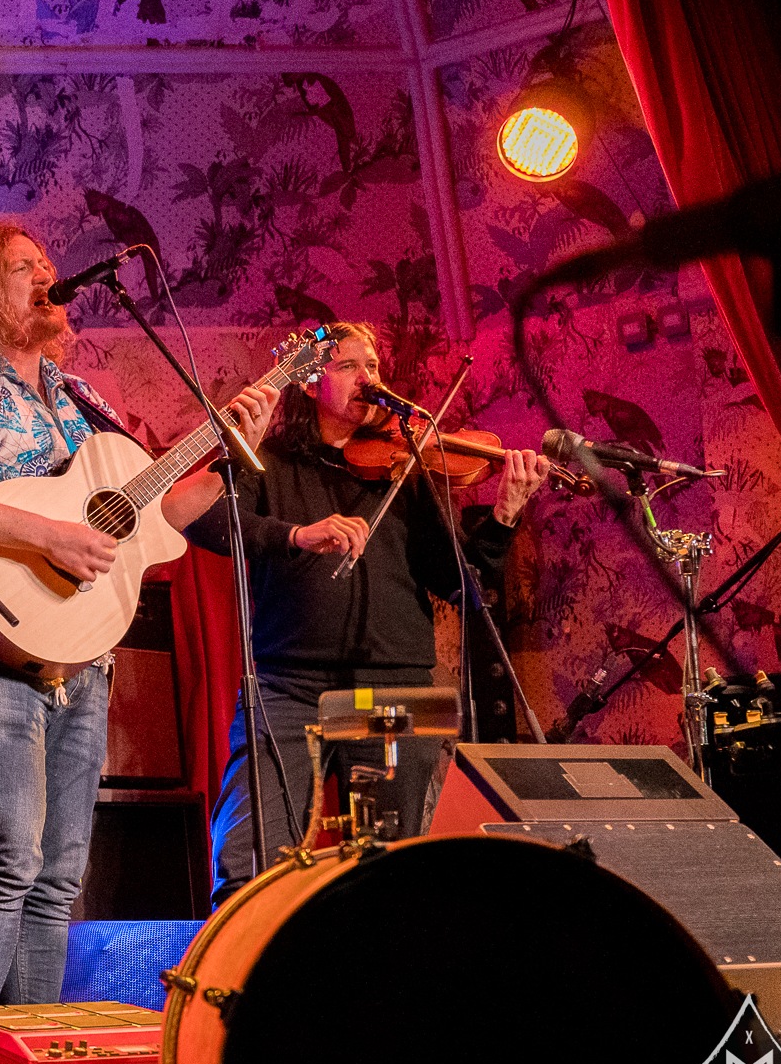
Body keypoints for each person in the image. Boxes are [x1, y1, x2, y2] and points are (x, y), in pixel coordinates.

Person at [0, 221, 279, 1007]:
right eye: (24, 266)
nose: (46, 275)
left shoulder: (81, 400)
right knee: (7, 860)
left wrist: (228, 456)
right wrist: (45, 534)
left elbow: (157, 518)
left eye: (49, 264)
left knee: (59, 874)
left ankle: (30, 1050)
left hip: (84, 659)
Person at [185, 321, 550, 905]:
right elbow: (204, 523)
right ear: (311, 382)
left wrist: (505, 514)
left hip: (395, 687)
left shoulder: (406, 468)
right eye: (349, 366)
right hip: (289, 687)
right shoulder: (269, 462)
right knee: (250, 862)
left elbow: (460, 582)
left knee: (392, 872)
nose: (368, 378)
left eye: (374, 366)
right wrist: (297, 535)